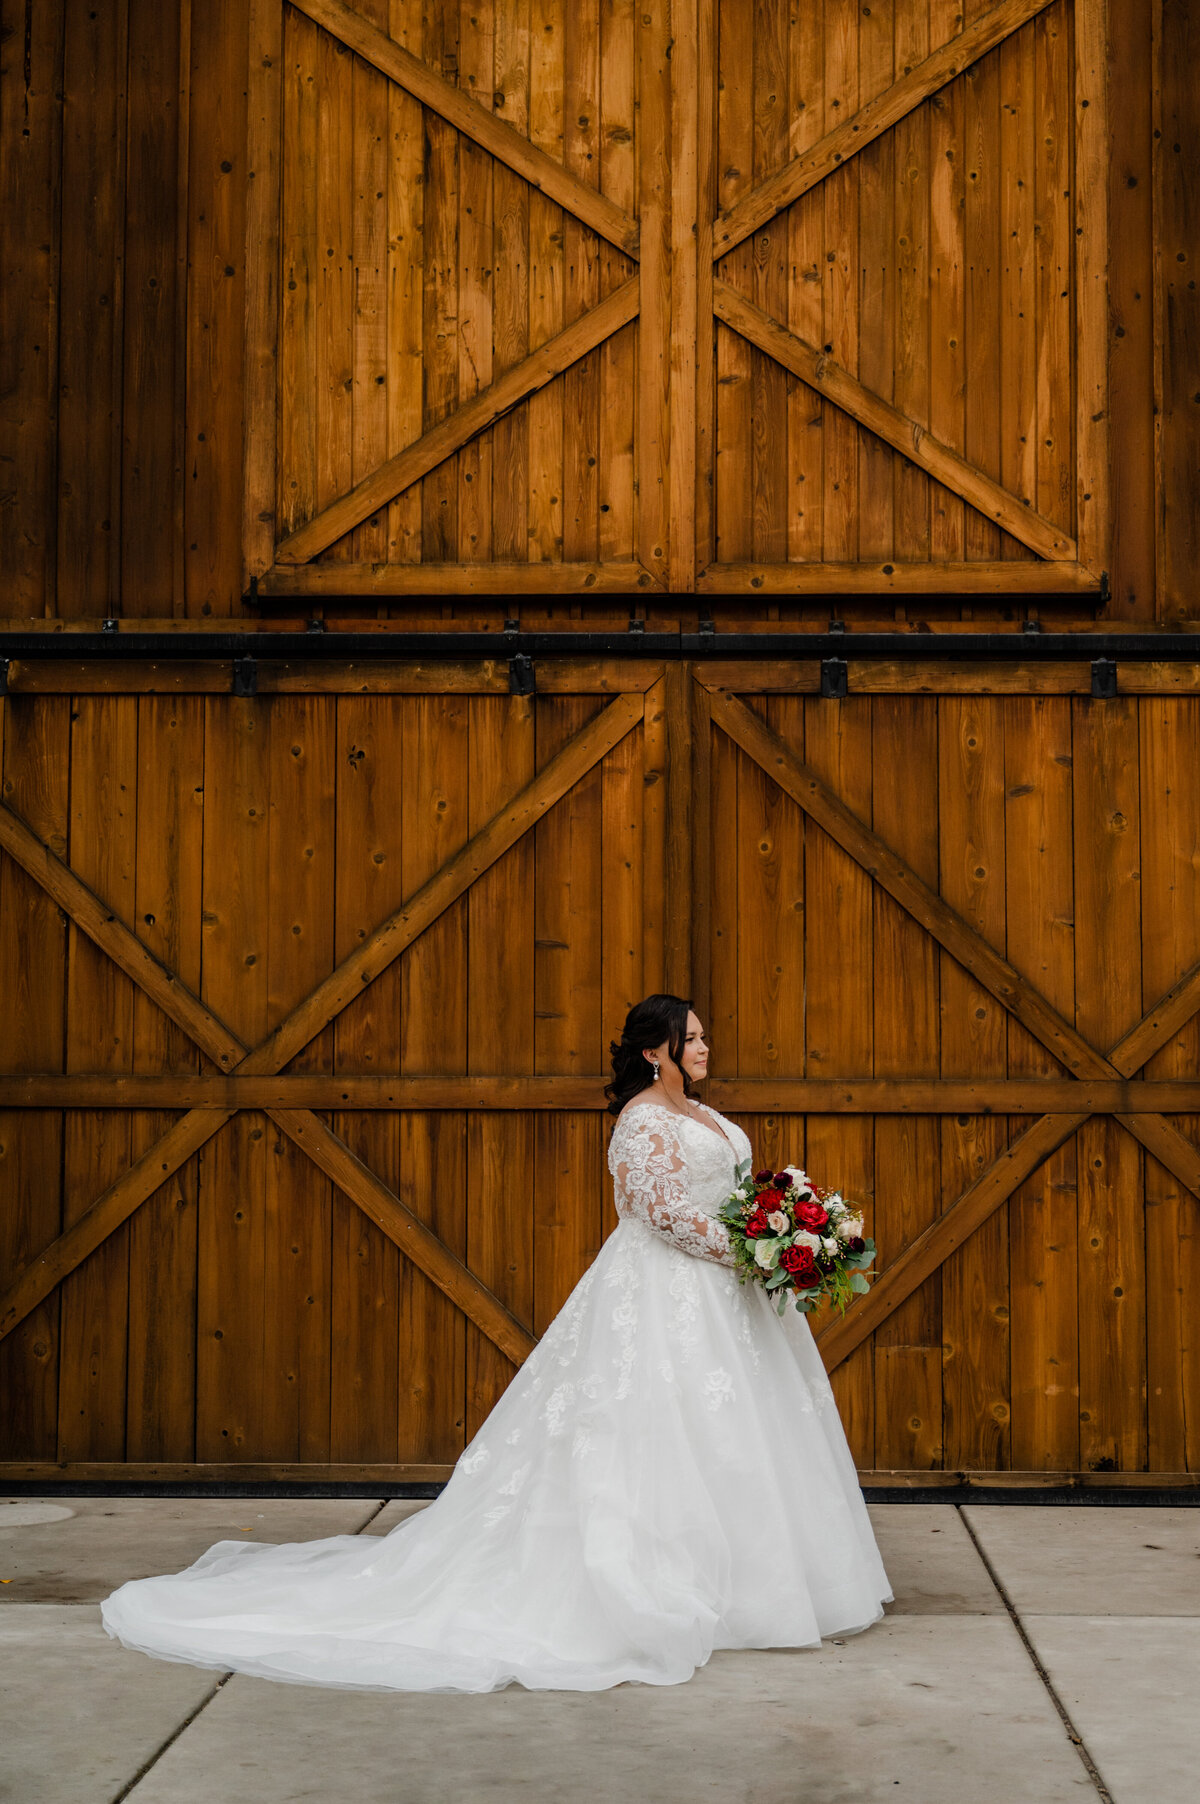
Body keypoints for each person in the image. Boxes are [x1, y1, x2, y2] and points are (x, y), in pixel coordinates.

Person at [101, 994, 893, 1692]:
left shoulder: (713, 1120)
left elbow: (736, 1195)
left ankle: (759, 1582)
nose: (704, 1049)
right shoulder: (641, 1120)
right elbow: (656, 1212)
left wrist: (786, 1229)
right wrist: (748, 1253)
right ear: (655, 1050)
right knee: (651, 1431)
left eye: (704, 1039)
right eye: (690, 1039)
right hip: (665, 1290)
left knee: (742, 1435)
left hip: (735, 1306)